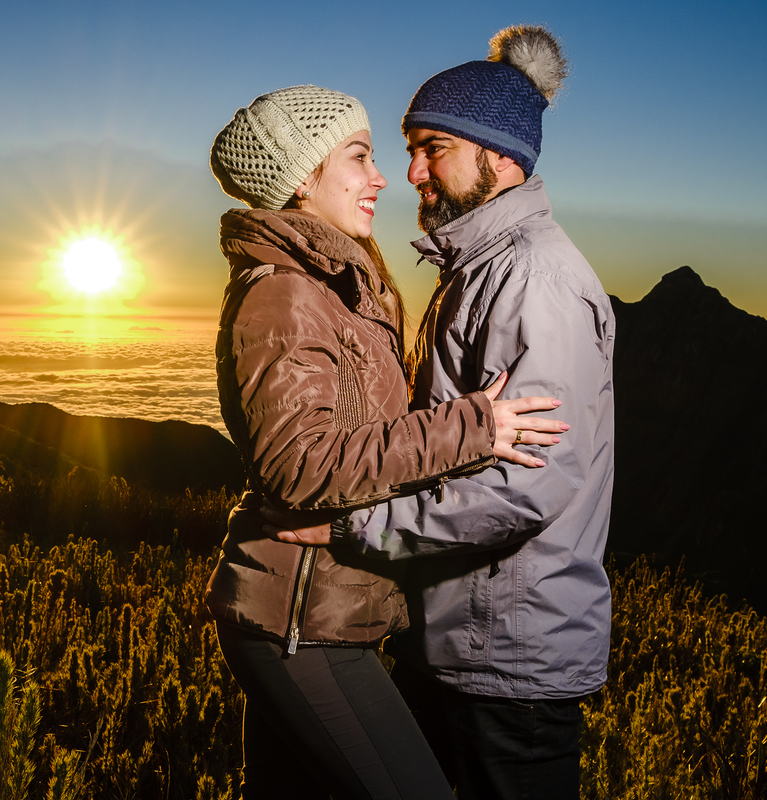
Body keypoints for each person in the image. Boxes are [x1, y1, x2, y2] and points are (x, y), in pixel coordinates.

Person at [276, 26, 615, 800]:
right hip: (463, 643)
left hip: (508, 662)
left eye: (433, 148)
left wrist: (353, 529)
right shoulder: (480, 269)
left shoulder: (534, 281)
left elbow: (526, 485)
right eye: (409, 148)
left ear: (499, 157)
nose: (412, 171)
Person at [205, 84, 570, 800]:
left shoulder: (332, 281)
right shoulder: (284, 292)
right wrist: (473, 426)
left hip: (325, 614)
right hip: (299, 627)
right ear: (303, 178)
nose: (383, 178)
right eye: (360, 157)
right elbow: (299, 463)